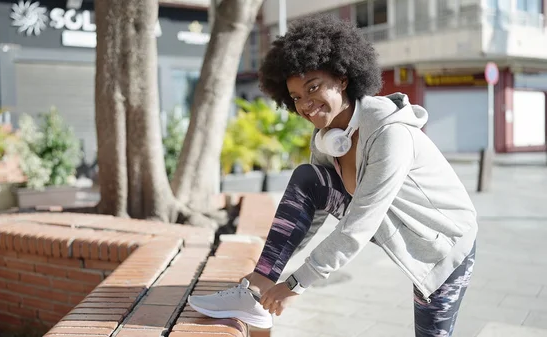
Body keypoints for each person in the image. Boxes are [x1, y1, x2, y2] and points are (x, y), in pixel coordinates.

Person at [188, 14, 478, 337]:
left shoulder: (390, 136)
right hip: (390, 225)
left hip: (444, 245)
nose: (306, 106)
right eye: (297, 97)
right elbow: (311, 212)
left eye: (313, 88)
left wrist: (297, 284)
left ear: (342, 79)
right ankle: (251, 291)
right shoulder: (327, 137)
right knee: (307, 178)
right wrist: (271, 273)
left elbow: (359, 226)